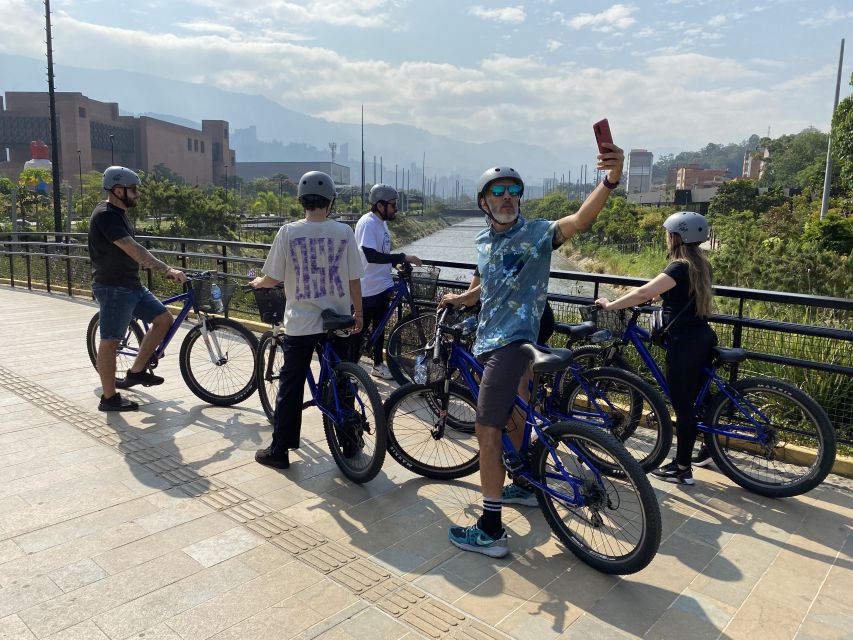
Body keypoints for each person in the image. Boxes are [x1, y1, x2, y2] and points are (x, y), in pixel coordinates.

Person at [439, 144, 624, 558]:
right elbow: (492, 285)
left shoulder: (537, 233)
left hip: (513, 343)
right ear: (484, 202)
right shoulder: (484, 241)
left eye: (513, 190)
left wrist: (609, 181)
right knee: (517, 414)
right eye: (498, 190)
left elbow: (579, 220)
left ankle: (490, 529)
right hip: (489, 340)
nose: (507, 197)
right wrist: (463, 299)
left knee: (487, 433)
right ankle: (522, 483)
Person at [250, 171, 364, 470]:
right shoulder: (344, 232)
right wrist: (358, 314)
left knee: (291, 385)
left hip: (301, 322)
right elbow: (354, 278)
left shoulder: (288, 232)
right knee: (341, 380)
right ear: (331, 201)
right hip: (337, 319)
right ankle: (350, 441)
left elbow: (273, 277)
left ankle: (280, 451)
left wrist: (258, 283)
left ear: (301, 200)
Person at [595, 210, 717, 485]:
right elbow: (665, 292)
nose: (666, 238)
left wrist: (611, 305)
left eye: (668, 234)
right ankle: (710, 448)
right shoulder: (700, 265)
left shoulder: (678, 266)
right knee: (700, 397)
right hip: (701, 336)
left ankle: (683, 468)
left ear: (676, 236)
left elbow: (644, 293)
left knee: (683, 406)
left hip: (684, 343)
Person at [88, 166, 187, 412]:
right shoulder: (106, 215)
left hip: (131, 284)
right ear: (118, 190)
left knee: (163, 319)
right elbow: (132, 248)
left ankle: (136, 371)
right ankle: (109, 398)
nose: (137, 194)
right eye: (133, 190)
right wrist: (166, 269)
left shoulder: (120, 214)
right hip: (113, 287)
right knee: (110, 341)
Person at [350, 184, 422, 380]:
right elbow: (370, 255)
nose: (396, 208)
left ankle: (377, 365)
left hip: (382, 284)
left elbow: (382, 254)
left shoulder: (382, 223)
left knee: (380, 328)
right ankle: (350, 371)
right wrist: (402, 257)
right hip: (367, 288)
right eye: (392, 204)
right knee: (359, 332)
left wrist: (394, 266)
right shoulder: (368, 223)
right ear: (380, 205)